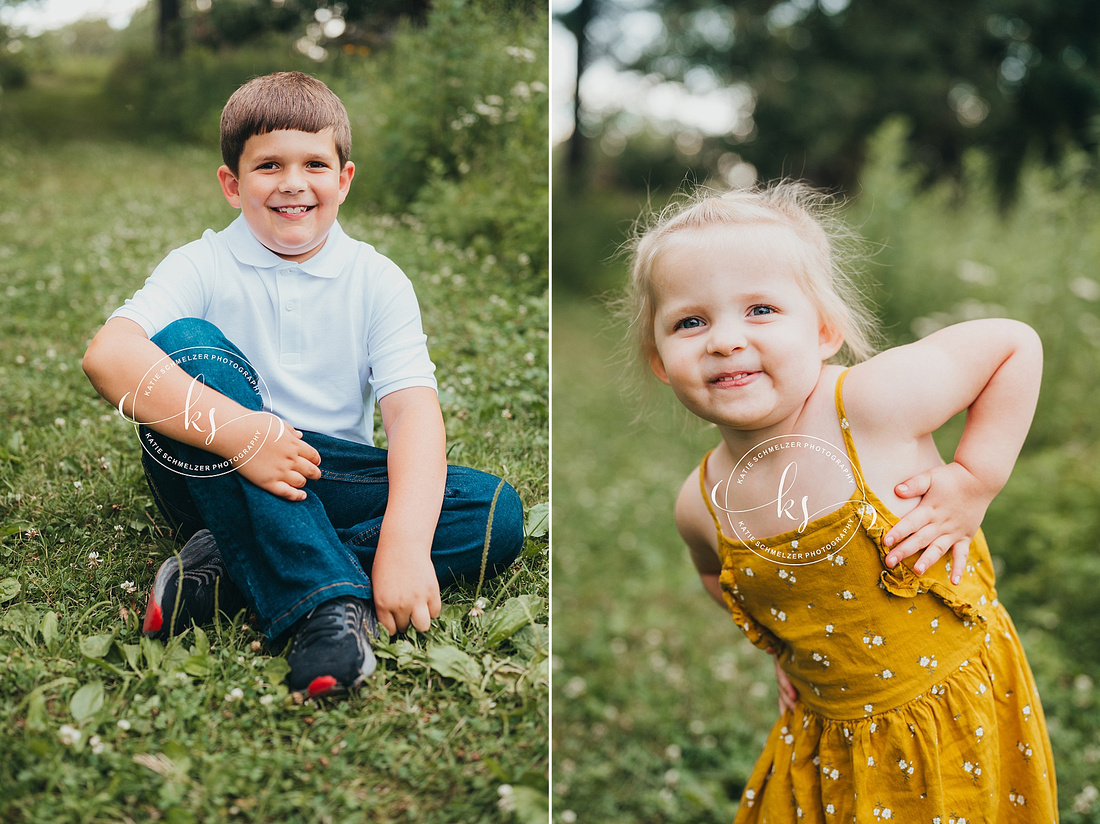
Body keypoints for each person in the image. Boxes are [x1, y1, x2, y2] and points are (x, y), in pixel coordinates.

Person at [82, 72, 524, 699]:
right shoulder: (201, 263)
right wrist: (246, 437)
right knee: (182, 344)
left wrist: (402, 540)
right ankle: (331, 608)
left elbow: (411, 413)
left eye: (314, 163)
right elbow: (107, 356)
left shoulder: (378, 280)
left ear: (343, 179)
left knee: (495, 515)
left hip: (324, 471)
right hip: (209, 469)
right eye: (268, 165)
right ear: (232, 185)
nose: (293, 182)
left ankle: (229, 571)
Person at [627, 182, 1057, 820]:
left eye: (761, 310)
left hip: (950, 708)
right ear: (660, 359)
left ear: (825, 330)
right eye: (690, 322)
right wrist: (786, 647)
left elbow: (1013, 344)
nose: (723, 340)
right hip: (830, 736)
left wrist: (973, 479)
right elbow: (716, 573)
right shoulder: (701, 501)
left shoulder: (870, 406)